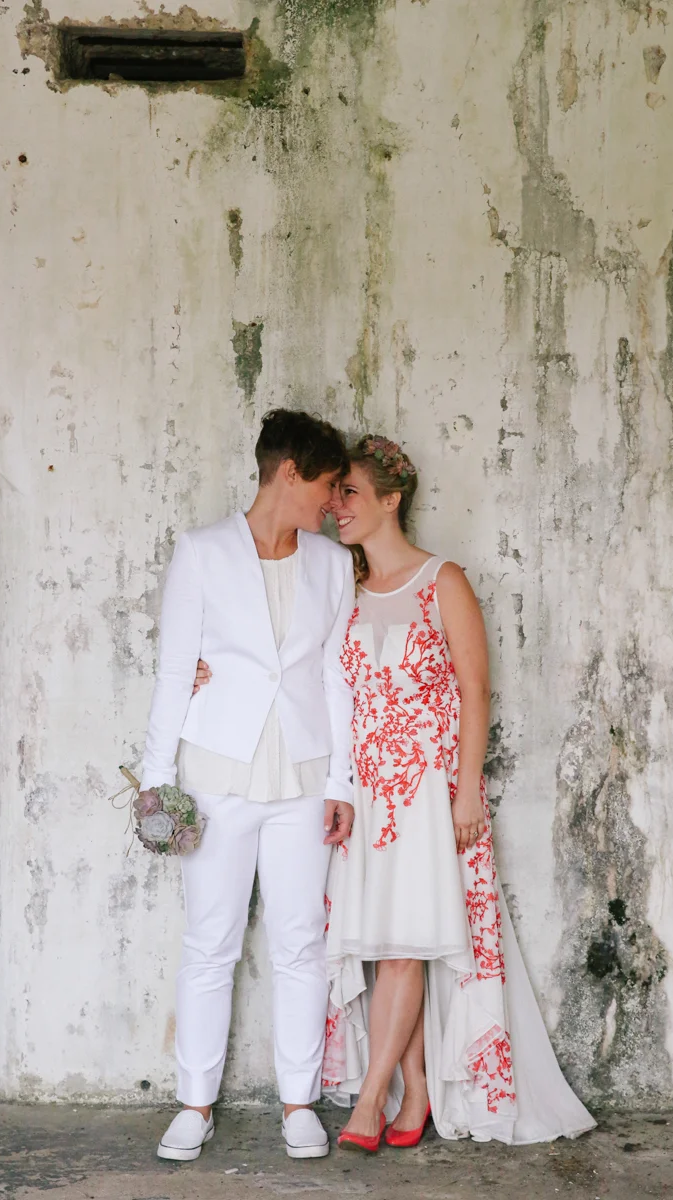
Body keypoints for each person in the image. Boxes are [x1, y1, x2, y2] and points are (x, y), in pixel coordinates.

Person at [321, 435, 596, 1147]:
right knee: (388, 949)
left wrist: (467, 789)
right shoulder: (343, 593)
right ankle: (415, 1096)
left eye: (349, 492)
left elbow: (477, 691)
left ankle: (368, 1102)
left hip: (427, 792)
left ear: (390, 498)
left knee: (410, 949)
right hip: (368, 794)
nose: (336, 506)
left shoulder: (442, 580)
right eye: (335, 494)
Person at [140, 409, 355, 1163]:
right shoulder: (200, 553)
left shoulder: (330, 566)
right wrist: (155, 779)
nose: (334, 501)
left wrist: (343, 783)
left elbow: (336, 679)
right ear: (288, 474)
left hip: (302, 779)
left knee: (301, 942)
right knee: (210, 943)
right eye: (328, 485)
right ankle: (194, 1103)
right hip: (214, 778)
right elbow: (175, 670)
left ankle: (299, 1102)